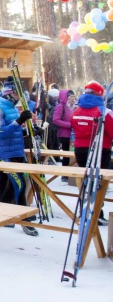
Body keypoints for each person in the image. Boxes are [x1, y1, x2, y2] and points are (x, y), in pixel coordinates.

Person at [0, 77, 38, 236]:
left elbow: (14, 130)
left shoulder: (11, 108)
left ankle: (3, 216)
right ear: (9, 94)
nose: (19, 98)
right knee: (20, 184)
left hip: (17, 152)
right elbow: (1, 132)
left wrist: (28, 131)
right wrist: (20, 120)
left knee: (8, 187)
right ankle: (25, 220)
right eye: (17, 94)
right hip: (5, 154)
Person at [70, 80, 113, 226]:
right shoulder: (103, 110)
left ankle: (86, 210)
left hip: (80, 149)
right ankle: (96, 213)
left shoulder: (77, 110)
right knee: (98, 182)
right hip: (100, 149)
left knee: (86, 180)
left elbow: (74, 125)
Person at [53, 89, 77, 182]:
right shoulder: (60, 106)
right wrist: (69, 125)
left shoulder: (73, 107)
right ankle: (65, 175)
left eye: (73, 96)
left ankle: (71, 173)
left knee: (72, 154)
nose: (72, 98)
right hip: (64, 134)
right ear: (65, 97)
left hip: (72, 134)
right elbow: (55, 120)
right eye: (71, 96)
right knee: (66, 154)